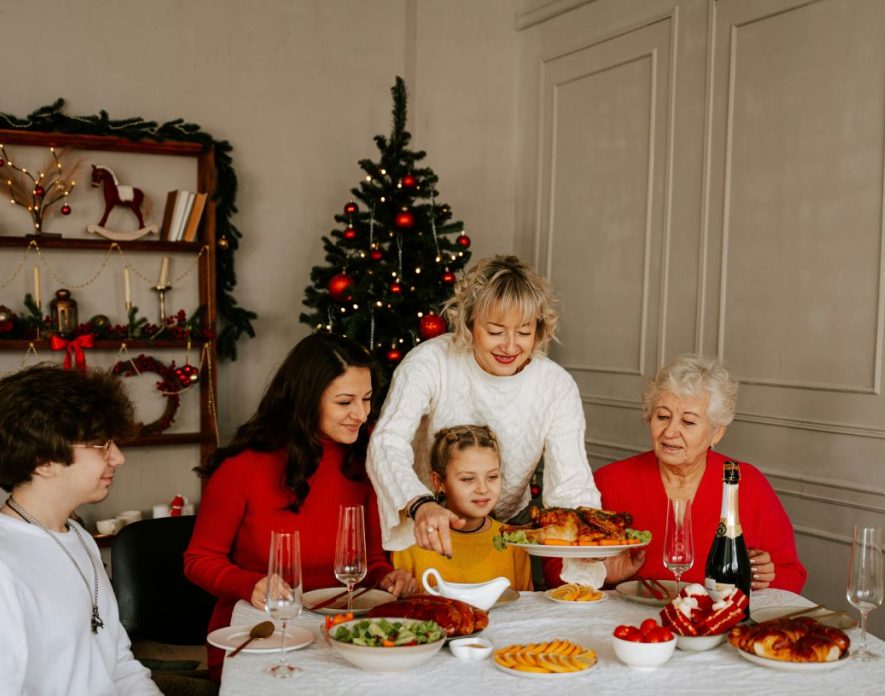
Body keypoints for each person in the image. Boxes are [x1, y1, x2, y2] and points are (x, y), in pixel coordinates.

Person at [184, 333, 417, 684]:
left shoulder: (365, 463)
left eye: (367, 399)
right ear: (307, 400)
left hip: (340, 637)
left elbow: (370, 563)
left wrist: (386, 577)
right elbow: (199, 559)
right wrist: (250, 584)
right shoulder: (242, 467)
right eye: (344, 402)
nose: (361, 414)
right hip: (261, 635)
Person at [368, 254, 606, 587]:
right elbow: (386, 442)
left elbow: (570, 483)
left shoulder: (555, 384)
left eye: (524, 332)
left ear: (539, 330)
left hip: (508, 526)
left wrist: (587, 559)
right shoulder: (430, 362)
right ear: (469, 322)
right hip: (430, 518)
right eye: (495, 331)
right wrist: (420, 504)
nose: (510, 346)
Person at [0, 364, 161, 696]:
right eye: (100, 444)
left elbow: (119, 664)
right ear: (43, 460)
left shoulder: (77, 536)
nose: (117, 458)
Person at [568, 354, 807, 593]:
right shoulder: (610, 482)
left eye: (688, 422)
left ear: (717, 433)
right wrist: (602, 575)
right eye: (662, 417)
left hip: (717, 625)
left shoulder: (746, 484)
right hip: (634, 626)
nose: (670, 431)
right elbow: (556, 568)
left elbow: (792, 574)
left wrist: (766, 576)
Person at [391, 425, 533, 592]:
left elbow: (526, 609)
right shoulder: (412, 541)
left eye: (492, 477)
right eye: (467, 479)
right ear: (439, 482)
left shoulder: (513, 542)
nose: (483, 488)